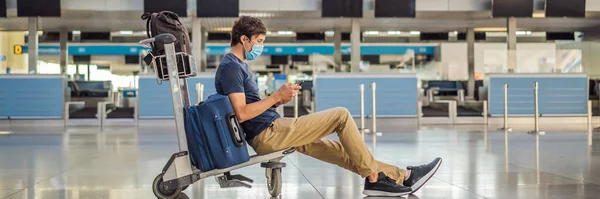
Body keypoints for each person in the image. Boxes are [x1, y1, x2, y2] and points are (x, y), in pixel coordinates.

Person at [215, 16, 442, 197]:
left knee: (341, 151)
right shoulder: (232, 67)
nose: (261, 46)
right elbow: (242, 114)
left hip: (272, 129)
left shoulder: (238, 66)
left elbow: (249, 108)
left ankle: (403, 175)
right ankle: (374, 178)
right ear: (245, 40)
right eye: (259, 41)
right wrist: (275, 97)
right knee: (341, 116)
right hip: (269, 134)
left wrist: (280, 99)